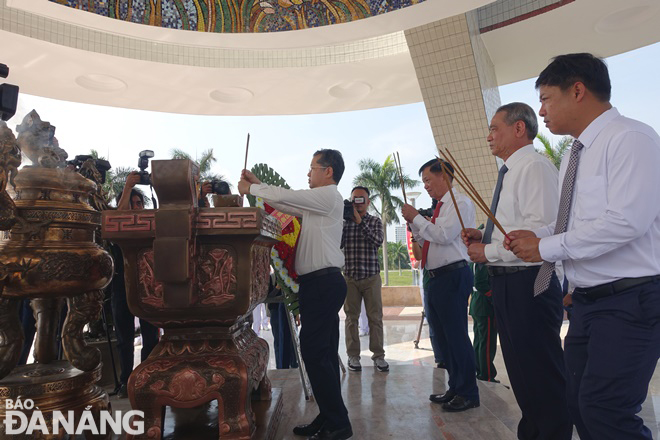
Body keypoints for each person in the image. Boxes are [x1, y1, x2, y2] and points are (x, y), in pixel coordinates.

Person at [508, 53, 660, 440]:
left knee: (606, 410)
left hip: (631, 300)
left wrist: (547, 247)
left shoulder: (631, 138)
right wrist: (536, 237)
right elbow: (573, 224)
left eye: (546, 98)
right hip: (589, 303)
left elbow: (626, 221)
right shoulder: (575, 154)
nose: (540, 111)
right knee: (577, 404)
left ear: (577, 90)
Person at [462, 102, 570, 439]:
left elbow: (540, 235)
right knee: (523, 373)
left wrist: (488, 251)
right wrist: (486, 236)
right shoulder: (510, 170)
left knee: (541, 373)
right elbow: (515, 227)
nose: (488, 136)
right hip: (509, 282)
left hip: (531, 282)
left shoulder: (534, 167)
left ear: (519, 128)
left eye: (495, 128)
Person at [238, 149, 352, 440]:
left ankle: (338, 422)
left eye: (313, 167)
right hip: (318, 284)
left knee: (314, 352)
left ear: (328, 172)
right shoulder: (319, 206)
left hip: (324, 283)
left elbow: (289, 196)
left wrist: (251, 188)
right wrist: (258, 184)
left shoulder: (329, 196)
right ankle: (330, 417)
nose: (309, 173)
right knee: (321, 353)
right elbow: (284, 203)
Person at [401, 158, 478, 412]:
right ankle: (455, 386)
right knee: (444, 339)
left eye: (427, 180)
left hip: (452, 275)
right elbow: (427, 240)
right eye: (423, 181)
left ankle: (468, 391)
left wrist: (418, 219)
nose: (425, 186)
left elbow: (444, 236)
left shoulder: (459, 203)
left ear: (443, 176)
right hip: (436, 277)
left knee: (456, 336)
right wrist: (415, 223)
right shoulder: (440, 207)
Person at [111, 172, 160, 398]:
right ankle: (126, 381)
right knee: (124, 338)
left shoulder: (150, 225)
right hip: (121, 285)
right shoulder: (117, 224)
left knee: (151, 334)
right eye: (132, 203)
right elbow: (119, 218)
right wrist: (128, 186)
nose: (137, 207)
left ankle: (146, 378)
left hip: (148, 285)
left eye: (139, 203)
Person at [341, 186, 388, 372]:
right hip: (350, 277)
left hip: (371, 277)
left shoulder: (375, 221)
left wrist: (360, 221)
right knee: (351, 319)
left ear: (368, 202)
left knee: (375, 318)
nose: (357, 203)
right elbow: (337, 244)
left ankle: (378, 356)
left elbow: (377, 241)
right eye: (354, 200)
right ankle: (353, 356)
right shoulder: (344, 224)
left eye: (361, 199)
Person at [469, 257, 498, 383]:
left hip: (477, 302)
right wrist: (493, 296)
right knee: (487, 343)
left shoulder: (472, 261)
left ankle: (479, 370)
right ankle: (486, 374)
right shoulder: (482, 262)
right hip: (485, 305)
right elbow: (480, 283)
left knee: (479, 341)